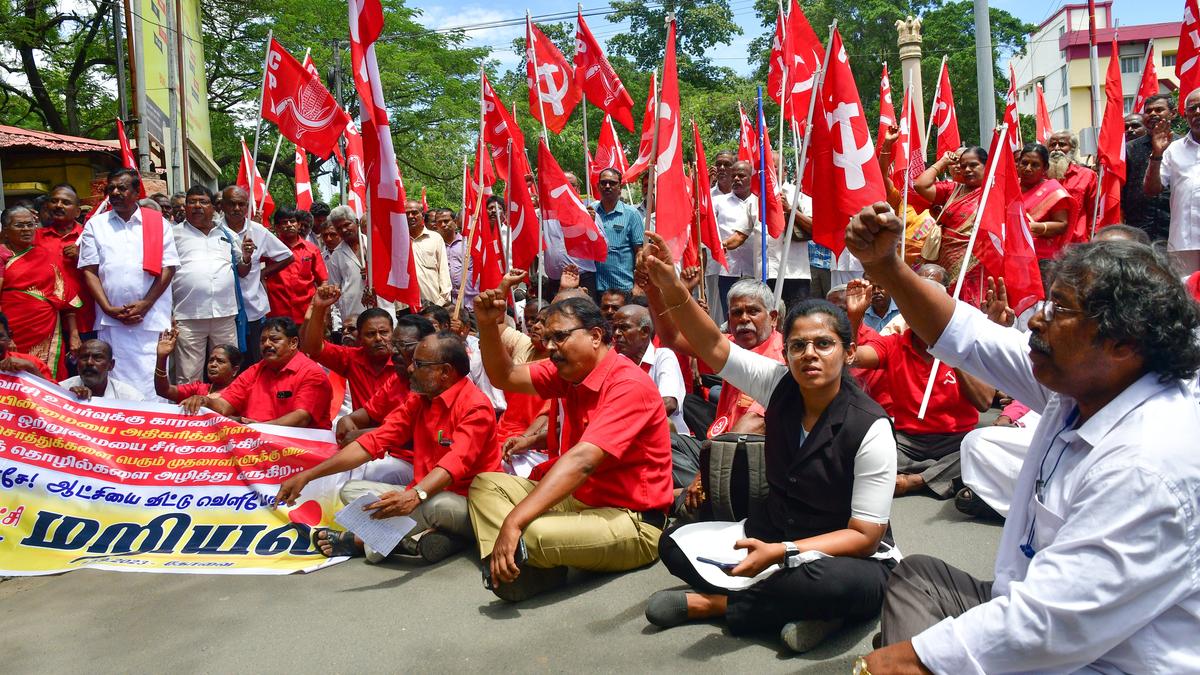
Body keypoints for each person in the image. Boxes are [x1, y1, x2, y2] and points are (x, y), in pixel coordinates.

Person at [845, 201, 1200, 675]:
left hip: (1103, 660)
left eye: (1061, 310)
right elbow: (964, 333)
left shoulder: (1148, 464)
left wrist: (899, 661)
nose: (1036, 320)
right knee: (917, 577)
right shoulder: (1086, 380)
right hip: (1034, 609)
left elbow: (1045, 626)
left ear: (1124, 343)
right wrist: (886, 265)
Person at [638, 231, 899, 653]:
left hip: (842, 555)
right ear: (787, 353)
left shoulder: (870, 427)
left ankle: (719, 605)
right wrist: (669, 284)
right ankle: (810, 614)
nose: (809, 354)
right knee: (673, 544)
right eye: (798, 346)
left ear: (848, 354)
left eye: (824, 344)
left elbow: (865, 536)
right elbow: (710, 344)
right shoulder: (777, 382)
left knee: (831, 583)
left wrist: (783, 552)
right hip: (773, 532)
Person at [469, 293, 673, 602]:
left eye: (560, 337)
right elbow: (505, 376)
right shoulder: (569, 371)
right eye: (548, 338)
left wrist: (514, 521)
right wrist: (486, 325)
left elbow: (584, 460)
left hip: (634, 522)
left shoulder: (628, 384)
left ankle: (521, 558)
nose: (550, 347)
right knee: (485, 485)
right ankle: (527, 564)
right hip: (578, 500)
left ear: (595, 336)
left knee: (531, 530)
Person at [276, 331, 500, 564]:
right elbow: (373, 442)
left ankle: (360, 542)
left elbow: (454, 464)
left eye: (419, 364)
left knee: (435, 503)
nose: (410, 369)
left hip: (468, 504)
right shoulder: (420, 399)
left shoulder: (476, 407)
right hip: (422, 494)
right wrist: (309, 475)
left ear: (445, 372)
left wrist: (414, 495)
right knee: (351, 491)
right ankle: (437, 538)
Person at [847, 277, 995, 498]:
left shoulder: (966, 347)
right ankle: (940, 474)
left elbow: (984, 402)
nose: (924, 316)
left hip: (956, 441)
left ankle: (916, 480)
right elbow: (852, 357)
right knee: (859, 451)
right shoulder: (893, 344)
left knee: (983, 448)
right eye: (915, 308)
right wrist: (855, 317)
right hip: (907, 443)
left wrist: (951, 352)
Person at [78, 168, 179, 394]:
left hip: (150, 318)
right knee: (115, 379)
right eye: (111, 188)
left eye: (122, 188)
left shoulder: (157, 223)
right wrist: (107, 308)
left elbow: (169, 267)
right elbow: (89, 270)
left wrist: (146, 304)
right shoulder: (96, 225)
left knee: (152, 380)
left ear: (136, 193)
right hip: (111, 321)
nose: (115, 192)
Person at [657, 278, 783, 437]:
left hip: (748, 452)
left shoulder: (779, 358)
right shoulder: (730, 344)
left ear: (773, 318)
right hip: (722, 440)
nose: (744, 318)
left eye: (753, 311)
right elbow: (672, 337)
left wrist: (715, 458)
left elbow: (754, 423)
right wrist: (653, 289)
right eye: (737, 312)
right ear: (729, 319)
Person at [335, 314, 437, 491]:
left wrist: (364, 435)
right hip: (393, 455)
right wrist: (348, 419)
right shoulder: (398, 379)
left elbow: (414, 435)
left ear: (425, 347)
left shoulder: (433, 384)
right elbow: (367, 414)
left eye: (403, 346)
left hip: (427, 467)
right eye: (394, 345)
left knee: (367, 470)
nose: (395, 352)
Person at [181, 317, 332, 429]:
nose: (267, 344)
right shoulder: (255, 370)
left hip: (300, 451)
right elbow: (224, 406)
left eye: (274, 339)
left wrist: (260, 427)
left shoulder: (312, 374)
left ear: (293, 343)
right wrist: (205, 401)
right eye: (262, 341)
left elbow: (301, 419)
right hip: (255, 444)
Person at [170, 185, 244, 383]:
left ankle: (221, 412)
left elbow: (242, 269)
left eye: (203, 202)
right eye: (191, 202)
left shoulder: (229, 235)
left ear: (214, 207)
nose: (197, 206)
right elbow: (164, 275)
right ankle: (191, 414)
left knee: (226, 371)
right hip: (187, 316)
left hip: (225, 315)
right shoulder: (172, 235)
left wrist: (248, 256)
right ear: (184, 207)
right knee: (188, 375)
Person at [216, 186, 292, 367]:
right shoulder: (213, 230)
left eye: (241, 204)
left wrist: (263, 273)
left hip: (253, 310)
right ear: (222, 206)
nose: (236, 208)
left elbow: (287, 256)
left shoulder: (258, 231)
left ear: (247, 206)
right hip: (223, 311)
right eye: (231, 204)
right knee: (228, 362)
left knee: (255, 362)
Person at [1, 205, 80, 378]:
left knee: (46, 380)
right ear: (6, 230)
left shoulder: (48, 256)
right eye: (20, 225)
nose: (27, 229)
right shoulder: (2, 256)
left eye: (30, 224)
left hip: (46, 331)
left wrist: (74, 334)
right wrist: (5, 337)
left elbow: (66, 300)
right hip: (10, 334)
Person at [913, 146, 988, 306]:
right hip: (945, 259)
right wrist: (943, 161)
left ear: (986, 166)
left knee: (974, 304)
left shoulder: (993, 194)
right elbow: (920, 185)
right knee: (946, 304)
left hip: (978, 263)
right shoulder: (952, 190)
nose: (967, 170)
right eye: (963, 166)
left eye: (973, 165)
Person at [301, 284, 396, 410]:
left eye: (384, 332)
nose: (378, 338)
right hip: (362, 428)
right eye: (370, 334)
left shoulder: (406, 361)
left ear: (393, 334)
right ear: (360, 338)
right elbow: (313, 349)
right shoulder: (351, 358)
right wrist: (319, 308)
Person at [1145, 88, 1200, 276]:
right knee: (1187, 300)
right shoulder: (1173, 149)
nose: (1197, 112)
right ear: (1185, 116)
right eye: (1192, 109)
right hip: (1183, 242)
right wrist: (1156, 154)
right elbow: (1152, 190)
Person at [611, 304, 688, 436]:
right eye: (614, 328)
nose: (616, 334)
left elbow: (668, 404)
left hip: (671, 444)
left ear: (645, 332)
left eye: (624, 328)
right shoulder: (614, 362)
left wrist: (626, 428)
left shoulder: (663, 356)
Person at [36, 184, 93, 338]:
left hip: (85, 319)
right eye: (54, 201)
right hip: (47, 321)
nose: (59, 205)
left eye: (66, 202)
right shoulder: (35, 238)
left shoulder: (90, 237)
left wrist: (83, 257)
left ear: (77, 211)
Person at [264, 207, 328, 325]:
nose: (289, 225)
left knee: (306, 344)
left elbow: (323, 281)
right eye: (284, 222)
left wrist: (323, 311)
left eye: (292, 221)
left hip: (306, 314)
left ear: (298, 225)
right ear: (277, 227)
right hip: (277, 315)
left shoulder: (312, 249)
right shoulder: (268, 248)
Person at [1126, 94, 1176, 242]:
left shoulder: (1183, 146)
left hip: (1175, 227)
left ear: (1172, 113)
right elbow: (1122, 189)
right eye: (1148, 111)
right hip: (1139, 228)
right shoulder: (1130, 149)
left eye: (1159, 110)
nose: (1153, 114)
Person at [711, 161, 760, 304]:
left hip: (754, 270)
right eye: (734, 176)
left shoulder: (760, 202)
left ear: (751, 178)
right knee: (729, 313)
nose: (736, 179)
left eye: (741, 176)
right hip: (727, 269)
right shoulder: (717, 202)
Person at [592, 168, 644, 298]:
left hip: (622, 288)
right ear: (598, 186)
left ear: (620, 187)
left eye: (612, 183)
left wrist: (638, 285)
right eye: (603, 183)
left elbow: (640, 252)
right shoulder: (590, 211)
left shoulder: (632, 214)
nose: (607, 186)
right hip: (594, 287)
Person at [1017, 142, 1074, 260]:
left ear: (1045, 168)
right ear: (1018, 163)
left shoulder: (1053, 190)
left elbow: (1062, 224)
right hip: (1010, 253)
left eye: (1035, 165)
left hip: (1040, 257)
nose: (1028, 169)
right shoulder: (1009, 187)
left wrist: (1035, 227)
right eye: (1024, 163)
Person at [154, 328, 240, 402]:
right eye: (211, 360)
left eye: (220, 361)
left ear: (234, 370)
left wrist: (208, 403)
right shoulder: (199, 389)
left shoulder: (241, 394)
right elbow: (163, 390)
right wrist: (162, 358)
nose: (213, 364)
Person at [1046, 130, 1098, 242]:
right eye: (1052, 145)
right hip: (1046, 242)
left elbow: (1095, 212)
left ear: (1072, 149)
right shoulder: (1041, 176)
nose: (1056, 148)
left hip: (1077, 242)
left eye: (1062, 144)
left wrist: (1094, 237)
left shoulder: (1087, 175)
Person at [323, 206, 369, 327]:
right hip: (352, 312)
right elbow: (335, 288)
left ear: (357, 222)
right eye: (339, 228)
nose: (343, 230)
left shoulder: (373, 244)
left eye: (347, 225)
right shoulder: (336, 255)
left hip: (380, 306)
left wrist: (373, 273)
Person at [59, 338, 144, 402]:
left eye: (97, 358)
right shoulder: (62, 390)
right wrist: (68, 399)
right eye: (84, 357)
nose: (89, 362)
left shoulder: (131, 399)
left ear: (111, 365)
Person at [406, 200, 451, 307]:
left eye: (414, 212)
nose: (410, 216)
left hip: (432, 305)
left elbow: (443, 272)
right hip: (405, 307)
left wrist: (440, 303)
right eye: (406, 214)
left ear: (422, 215)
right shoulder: (396, 240)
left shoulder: (435, 238)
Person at [0, 312, 55, 380]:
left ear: (10, 336)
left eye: (0, 337)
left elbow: (53, 390)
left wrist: (31, 368)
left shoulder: (31, 363)